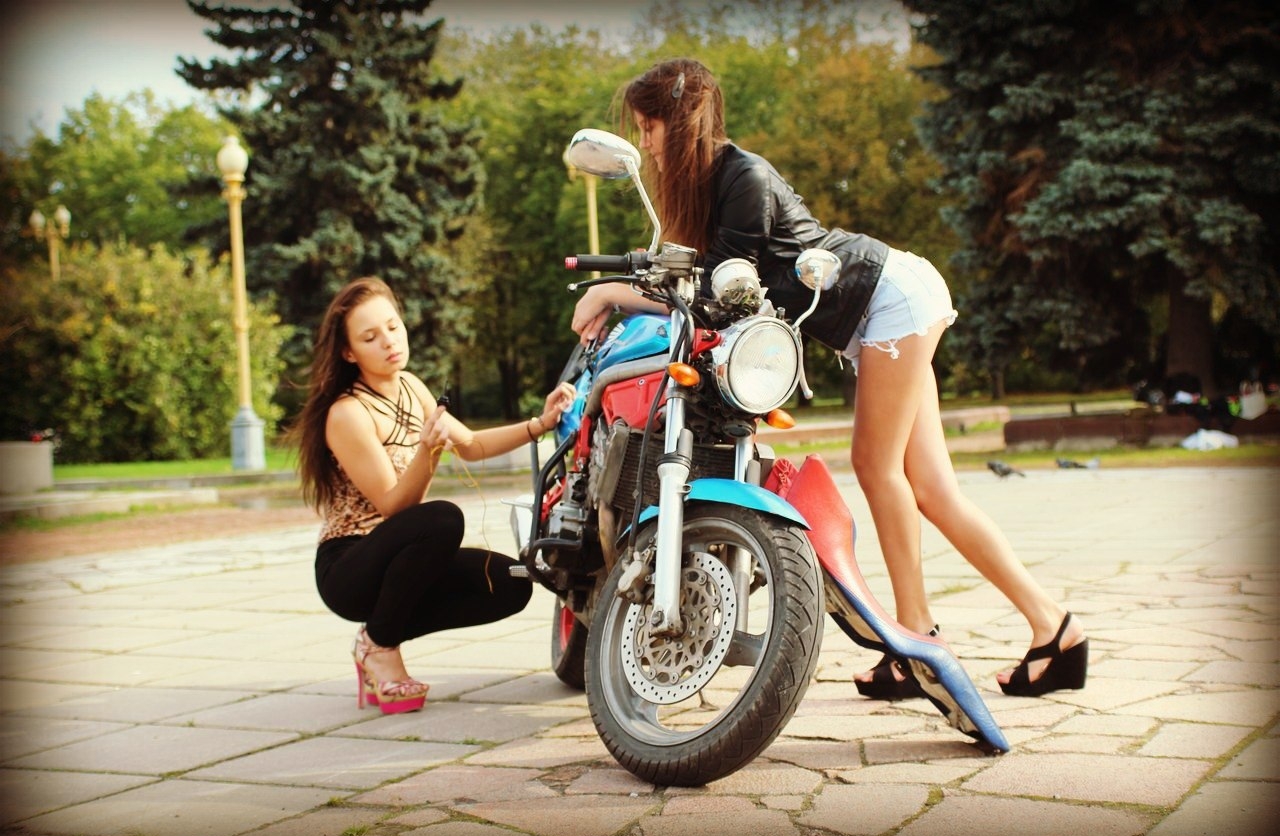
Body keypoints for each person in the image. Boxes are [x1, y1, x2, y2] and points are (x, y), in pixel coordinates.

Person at [570, 58, 1087, 699]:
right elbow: (702, 285)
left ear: (680, 123)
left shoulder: (743, 175)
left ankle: (917, 639)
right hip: (878, 312)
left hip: (887, 298)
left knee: (877, 466)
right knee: (933, 489)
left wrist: (611, 292)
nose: (646, 143)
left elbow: (723, 291)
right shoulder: (711, 185)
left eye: (650, 127)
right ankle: (1051, 628)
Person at [296, 276, 575, 714]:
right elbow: (393, 506)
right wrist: (427, 451)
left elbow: (472, 445)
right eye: (370, 337)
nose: (389, 341)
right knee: (442, 519)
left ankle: (375, 637)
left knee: (507, 582)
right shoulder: (348, 413)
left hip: (403, 558)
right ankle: (382, 649)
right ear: (349, 353)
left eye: (393, 327)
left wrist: (540, 423)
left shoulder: (411, 386)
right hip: (350, 565)